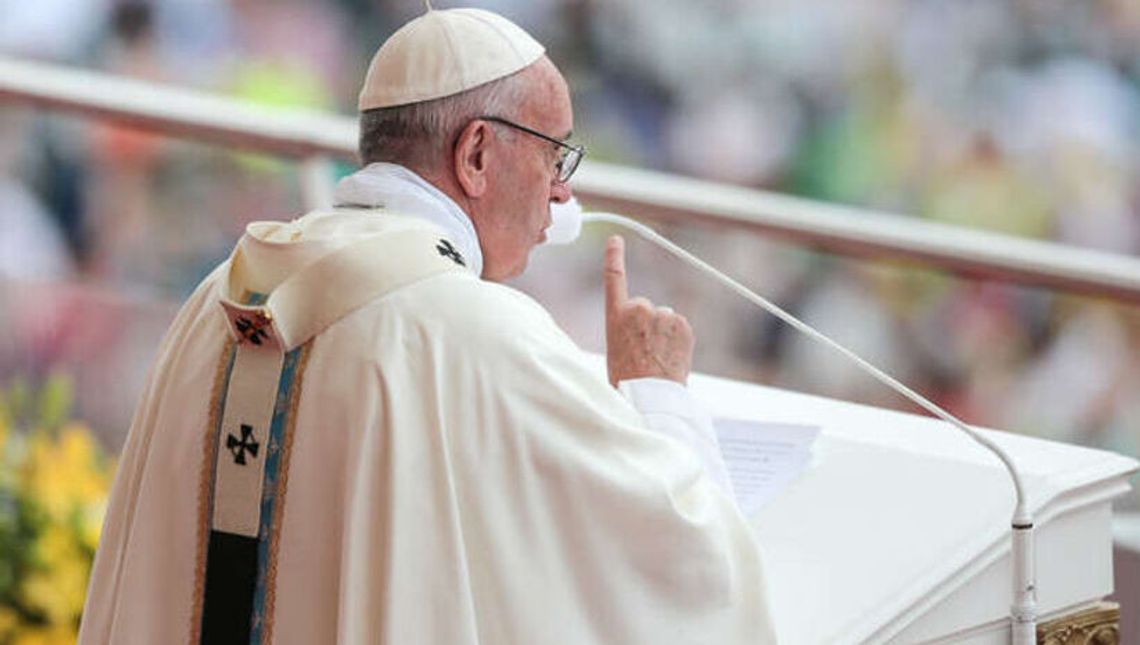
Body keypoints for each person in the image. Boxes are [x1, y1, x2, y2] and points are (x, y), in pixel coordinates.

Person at [78, 7, 777, 644]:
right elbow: (690, 565)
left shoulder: (218, 296)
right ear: (475, 155)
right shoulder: (479, 334)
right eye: (554, 153)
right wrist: (658, 395)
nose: (564, 192)